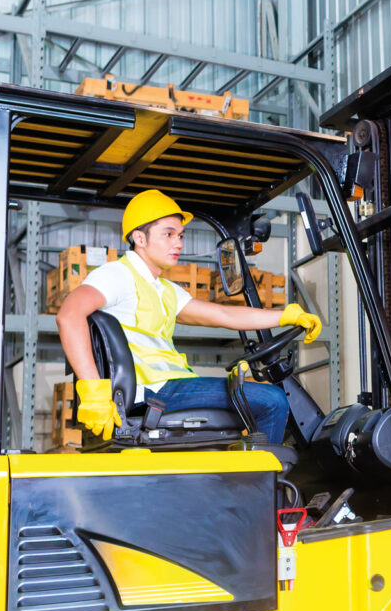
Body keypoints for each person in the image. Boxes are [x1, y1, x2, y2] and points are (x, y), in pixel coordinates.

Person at [56, 188, 321, 444]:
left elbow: (222, 314)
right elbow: (69, 315)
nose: (178, 243)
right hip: (154, 390)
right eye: (168, 234)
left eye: (181, 236)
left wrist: (286, 315)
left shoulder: (163, 289)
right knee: (271, 400)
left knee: (255, 401)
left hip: (171, 385)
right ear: (140, 238)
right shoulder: (118, 275)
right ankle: (262, 483)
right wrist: (93, 393)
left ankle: (242, 478)